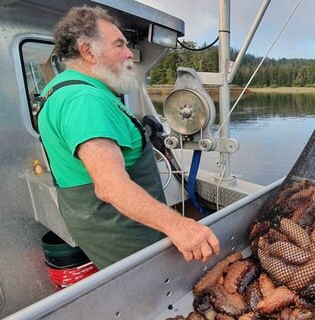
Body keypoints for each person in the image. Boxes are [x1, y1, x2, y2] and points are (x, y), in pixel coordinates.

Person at [38, 6, 220, 269]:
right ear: (88, 51)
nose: (129, 54)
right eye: (119, 45)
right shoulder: (84, 100)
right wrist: (178, 225)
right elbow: (110, 186)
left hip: (106, 225)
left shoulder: (63, 87)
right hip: (124, 233)